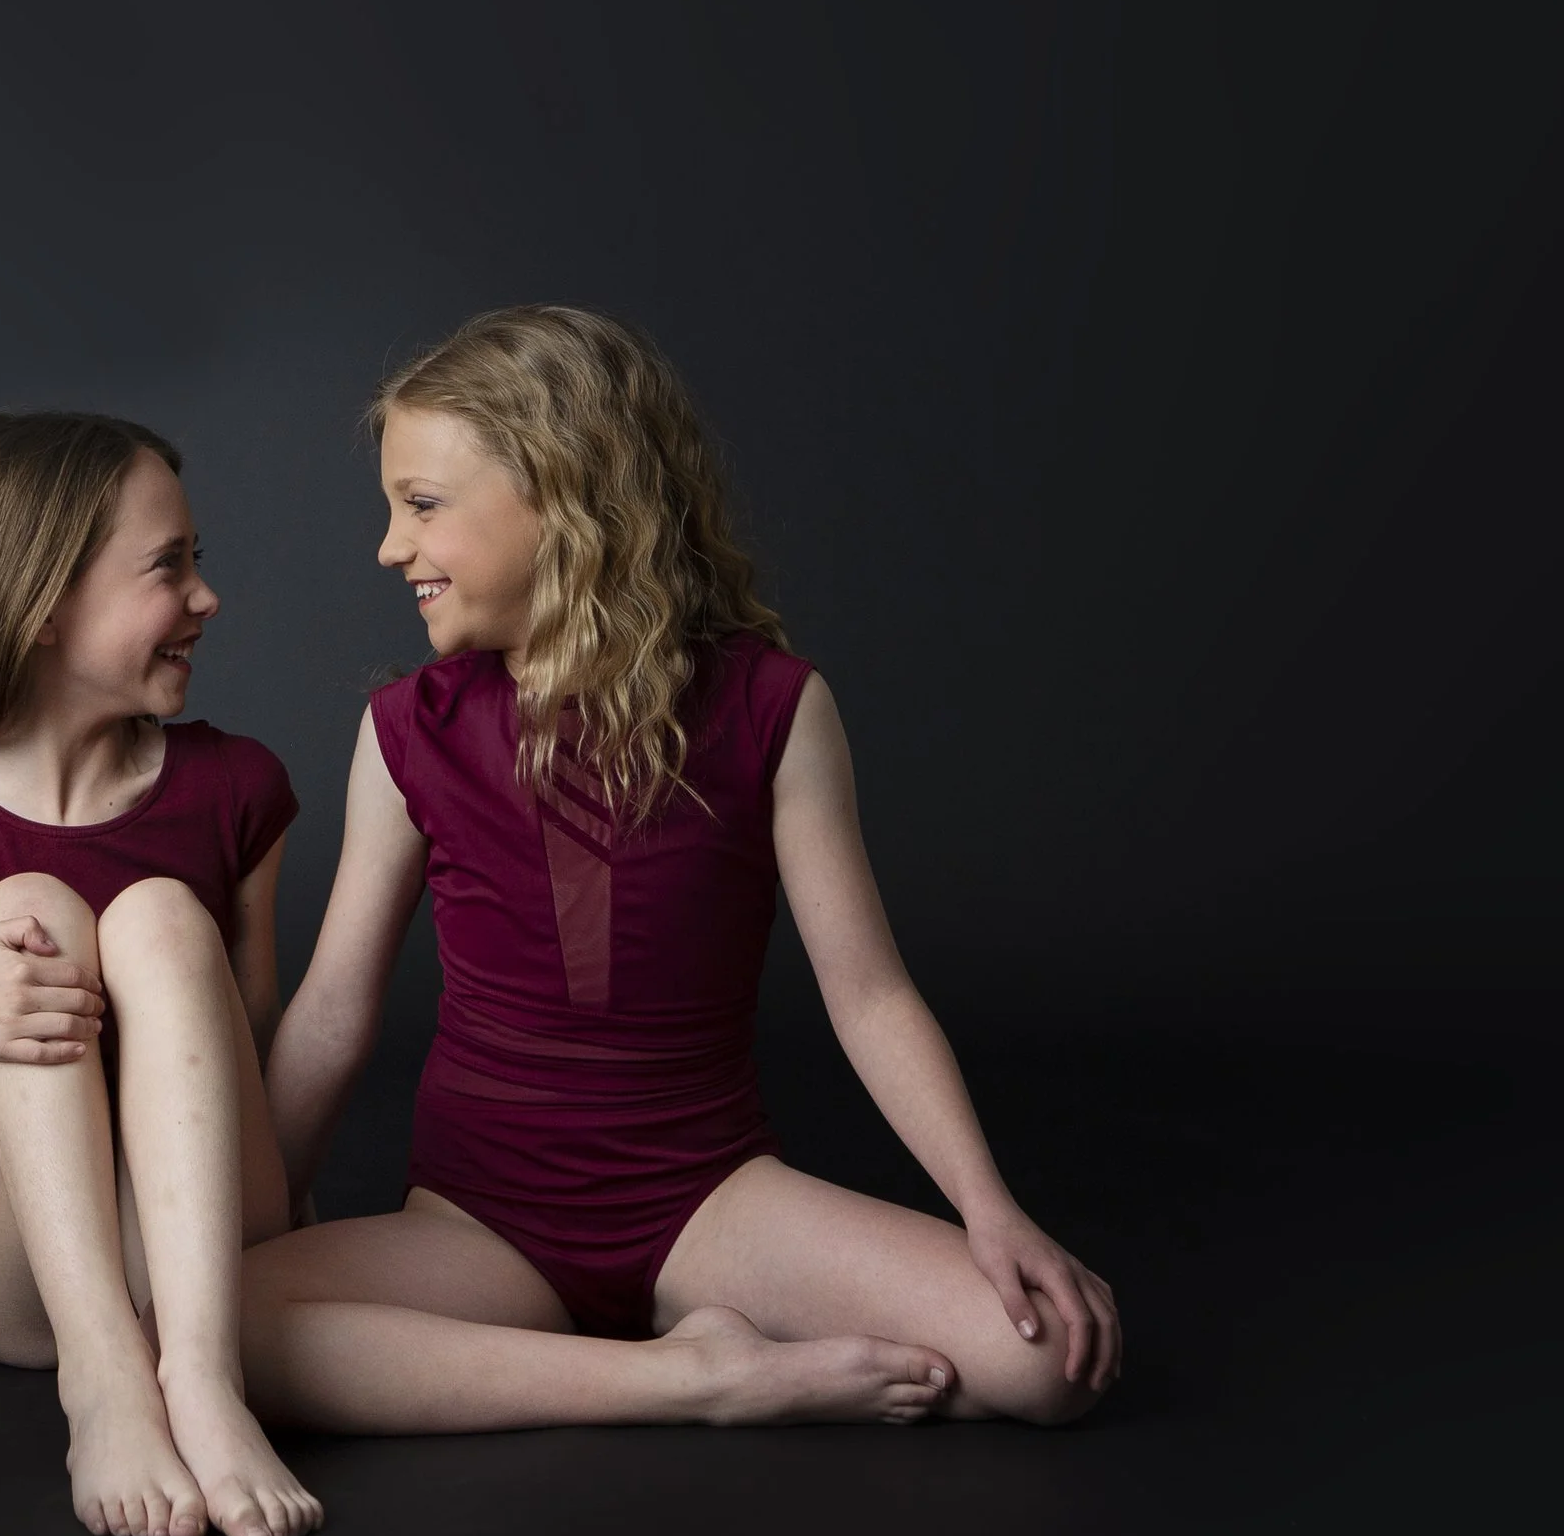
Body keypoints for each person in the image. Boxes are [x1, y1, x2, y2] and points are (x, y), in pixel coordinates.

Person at [244, 307, 1122, 1433]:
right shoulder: (406, 729)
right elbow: (332, 1011)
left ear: (563, 500)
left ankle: (673, 1347)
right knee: (196, 1333)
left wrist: (988, 1208)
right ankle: (693, 1378)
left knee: (1046, 1364)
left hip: (709, 1203)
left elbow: (868, 994)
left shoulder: (773, 709)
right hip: (477, 1221)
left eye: (420, 506)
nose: (388, 547)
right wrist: (250, 1222)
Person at [0, 411, 321, 1536]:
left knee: (150, 916)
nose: (206, 598)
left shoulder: (239, 785)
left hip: (198, 1249)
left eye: (199, 563)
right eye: (169, 568)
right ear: (40, 605)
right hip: (9, 1271)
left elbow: (249, 1041)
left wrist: (294, 1215)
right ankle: (101, 1377)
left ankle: (200, 1377)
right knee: (30, 914)